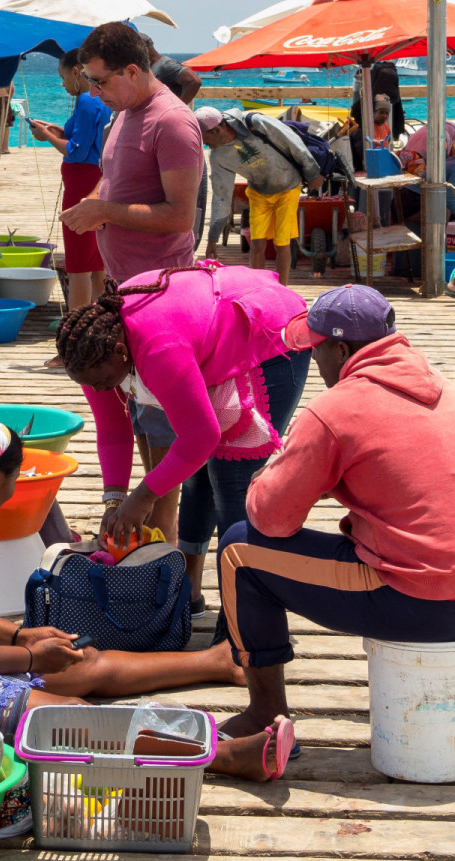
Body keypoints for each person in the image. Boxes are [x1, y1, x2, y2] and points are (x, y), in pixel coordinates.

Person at [0, 410, 293, 778]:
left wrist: (23, 637)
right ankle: (225, 756)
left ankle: (213, 661)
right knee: (72, 713)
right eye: (14, 477)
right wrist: (31, 660)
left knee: (85, 661)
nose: (13, 487)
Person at [214, 285, 455, 743]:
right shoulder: (453, 393)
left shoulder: (336, 408)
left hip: (419, 601)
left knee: (239, 549)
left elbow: (272, 520)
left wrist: (273, 467)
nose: (315, 364)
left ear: (341, 349)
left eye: (316, 352)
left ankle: (265, 714)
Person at [59, 262, 311, 619]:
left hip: (269, 328)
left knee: (233, 483)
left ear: (120, 351)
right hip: (208, 335)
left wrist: (143, 496)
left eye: (103, 381)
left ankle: (244, 618)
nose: (100, 389)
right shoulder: (89, 356)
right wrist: (115, 500)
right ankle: (189, 592)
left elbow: (201, 435)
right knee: (194, 478)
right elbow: (115, 431)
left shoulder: (155, 348)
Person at [60, 22, 201, 283]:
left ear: (132, 72)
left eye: (100, 82)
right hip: (124, 282)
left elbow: (181, 217)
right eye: (90, 81)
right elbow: (114, 173)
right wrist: (92, 201)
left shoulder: (172, 121)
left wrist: (104, 211)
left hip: (160, 285)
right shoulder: (126, 110)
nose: (93, 92)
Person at [30, 50, 112, 359]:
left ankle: (75, 345)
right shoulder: (98, 99)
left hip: (81, 183)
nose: (63, 85)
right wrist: (55, 130)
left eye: (64, 78)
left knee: (79, 266)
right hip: (94, 179)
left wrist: (48, 138)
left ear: (78, 72)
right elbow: (86, 140)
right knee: (96, 265)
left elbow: (77, 151)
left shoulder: (87, 101)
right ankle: (101, 334)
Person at [195, 108, 306, 285]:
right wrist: (212, 238)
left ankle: (282, 289)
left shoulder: (255, 123)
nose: (207, 146)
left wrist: (313, 171)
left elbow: (293, 141)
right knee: (257, 244)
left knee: (282, 243)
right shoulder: (218, 157)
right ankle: (257, 289)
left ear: (217, 130)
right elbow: (221, 197)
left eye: (206, 141)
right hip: (258, 193)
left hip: (287, 188)